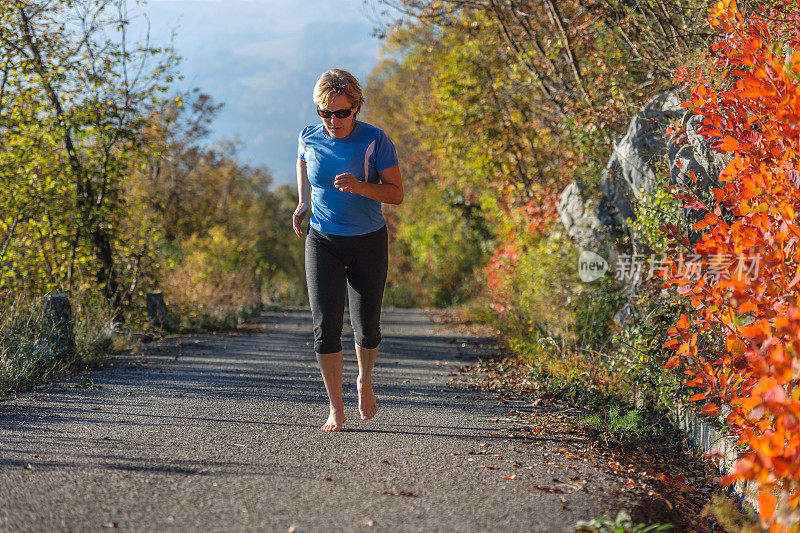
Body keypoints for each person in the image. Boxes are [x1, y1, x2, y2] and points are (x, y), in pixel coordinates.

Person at [293, 69, 403, 432]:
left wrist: (360, 186)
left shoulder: (376, 140)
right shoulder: (308, 136)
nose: (333, 121)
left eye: (341, 113)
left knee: (367, 327)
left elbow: (396, 194)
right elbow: (303, 162)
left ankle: (364, 381)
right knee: (325, 327)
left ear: (356, 108)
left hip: (368, 241)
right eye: (325, 113)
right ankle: (335, 407)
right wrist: (302, 204)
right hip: (322, 239)